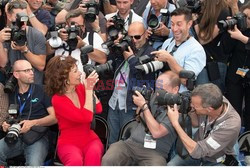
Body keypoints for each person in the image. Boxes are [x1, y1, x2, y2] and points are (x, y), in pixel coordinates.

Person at [102, 70, 179, 166]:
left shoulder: (178, 109)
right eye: (156, 87)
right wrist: (143, 102)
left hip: (155, 152)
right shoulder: (154, 96)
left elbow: (156, 132)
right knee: (109, 158)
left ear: (175, 89)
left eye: (161, 89)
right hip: (131, 144)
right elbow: (138, 116)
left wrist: (144, 106)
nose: (157, 92)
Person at [44, 55, 103, 166]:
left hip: (89, 138)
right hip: (68, 143)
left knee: (93, 155)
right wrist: (89, 90)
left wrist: (90, 90)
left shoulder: (81, 87)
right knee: (75, 161)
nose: (80, 73)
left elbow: (99, 109)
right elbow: (86, 117)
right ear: (65, 78)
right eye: (75, 71)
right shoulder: (57, 100)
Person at [106, 21, 156, 145]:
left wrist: (131, 58)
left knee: (127, 143)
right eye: (130, 37)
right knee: (111, 140)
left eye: (137, 37)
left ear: (145, 35)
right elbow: (110, 65)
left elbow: (143, 75)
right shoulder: (124, 47)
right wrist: (115, 49)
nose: (134, 40)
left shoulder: (150, 53)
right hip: (114, 102)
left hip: (131, 106)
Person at [167, 83, 241, 166]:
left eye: (195, 106)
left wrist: (175, 123)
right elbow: (195, 124)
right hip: (198, 151)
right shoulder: (214, 99)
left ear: (209, 109)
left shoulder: (231, 125)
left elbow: (197, 152)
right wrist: (189, 110)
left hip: (216, 160)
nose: (191, 105)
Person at [0, 60, 57, 166]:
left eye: (31, 69)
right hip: (16, 135)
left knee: (33, 164)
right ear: (16, 74)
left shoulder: (42, 90)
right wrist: (5, 124)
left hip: (38, 137)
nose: (31, 73)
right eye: (26, 70)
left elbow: (54, 118)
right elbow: (8, 114)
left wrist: (33, 122)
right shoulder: (11, 93)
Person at [152, 7, 206, 92]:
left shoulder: (196, 49)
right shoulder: (168, 42)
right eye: (172, 24)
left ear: (189, 24)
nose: (174, 29)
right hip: (161, 95)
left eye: (179, 24)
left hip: (179, 100)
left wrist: (169, 59)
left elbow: (187, 81)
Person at [0, 0, 47, 85]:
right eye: (18, 17)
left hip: (34, 85)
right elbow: (3, 63)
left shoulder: (36, 35)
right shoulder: (5, 34)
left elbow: (41, 66)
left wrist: (24, 50)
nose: (22, 21)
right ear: (9, 16)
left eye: (24, 17)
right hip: (13, 85)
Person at [47, 9, 107, 74]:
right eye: (73, 26)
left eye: (79, 26)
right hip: (60, 80)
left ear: (84, 26)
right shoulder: (60, 35)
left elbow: (103, 59)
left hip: (83, 81)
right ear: (66, 25)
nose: (75, 29)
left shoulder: (92, 37)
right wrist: (58, 38)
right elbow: (46, 51)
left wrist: (83, 45)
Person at [193, 0, 232, 93]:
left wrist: (194, 20)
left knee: (209, 97)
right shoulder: (202, 11)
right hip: (201, 60)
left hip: (215, 63)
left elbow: (204, 39)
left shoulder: (223, 13)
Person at [224, 1, 250, 131]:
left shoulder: (242, 35)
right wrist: (230, 30)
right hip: (235, 76)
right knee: (233, 112)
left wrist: (243, 38)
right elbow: (225, 49)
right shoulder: (238, 28)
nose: (247, 21)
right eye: (244, 17)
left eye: (249, 18)